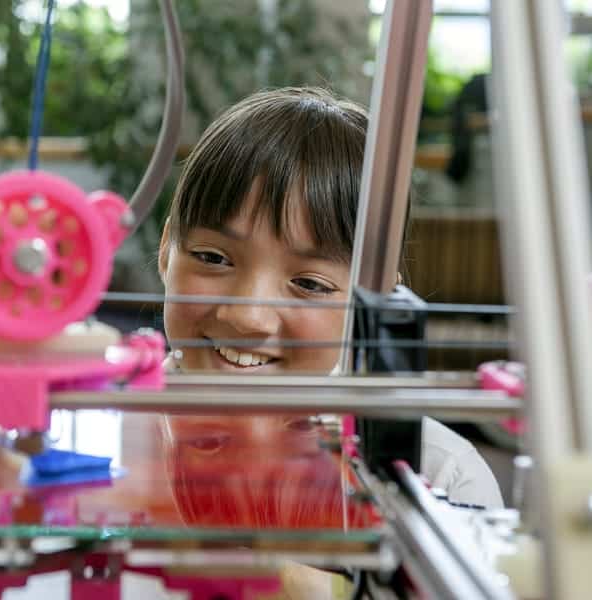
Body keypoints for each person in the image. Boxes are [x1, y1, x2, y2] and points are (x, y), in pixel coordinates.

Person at [157, 86, 504, 517]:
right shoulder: (101, 430)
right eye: (212, 258)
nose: (247, 316)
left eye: (310, 283)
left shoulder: (442, 475)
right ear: (166, 249)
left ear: (372, 305)